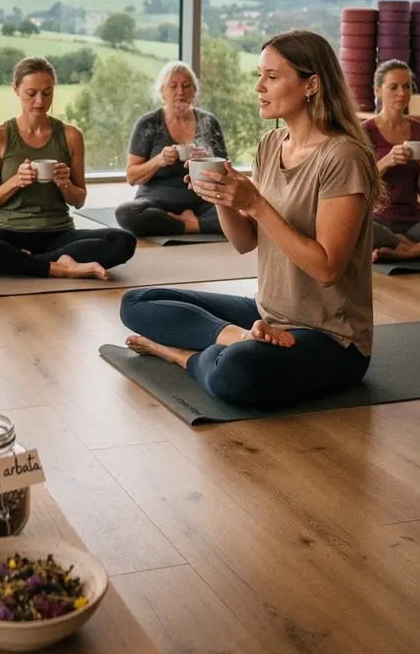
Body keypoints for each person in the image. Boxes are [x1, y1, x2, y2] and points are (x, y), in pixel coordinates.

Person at [120, 31, 379, 407]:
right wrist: (222, 198)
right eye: (259, 75)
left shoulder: (342, 156)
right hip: (268, 313)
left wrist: (255, 203)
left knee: (236, 373)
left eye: (272, 77)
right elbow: (245, 242)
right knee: (137, 302)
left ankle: (179, 354)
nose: (259, 86)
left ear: (312, 84)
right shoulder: (270, 144)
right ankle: (238, 337)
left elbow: (327, 269)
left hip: (331, 337)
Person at [0, 57, 136, 280]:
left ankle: (14, 262)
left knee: (123, 241)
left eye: (47, 93)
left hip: (58, 233)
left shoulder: (70, 135)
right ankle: (60, 266)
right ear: (16, 89)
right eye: (31, 93)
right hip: (8, 233)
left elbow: (79, 200)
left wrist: (65, 184)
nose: (40, 101)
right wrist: (15, 182)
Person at [115, 61, 227, 237]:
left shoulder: (209, 122)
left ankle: (185, 224)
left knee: (241, 212)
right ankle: (195, 225)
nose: (180, 92)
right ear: (162, 92)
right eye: (173, 86)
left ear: (195, 92)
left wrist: (208, 160)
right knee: (126, 213)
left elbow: (226, 172)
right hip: (156, 201)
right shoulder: (148, 123)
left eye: (186, 86)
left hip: (203, 201)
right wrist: (158, 160)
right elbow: (131, 176)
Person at [363, 59, 420, 262]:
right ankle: (408, 245)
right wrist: (386, 161)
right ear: (378, 91)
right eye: (393, 87)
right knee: (349, 223)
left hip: (413, 223)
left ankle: (411, 249)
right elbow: (360, 184)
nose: (402, 93)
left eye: (407, 86)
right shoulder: (365, 131)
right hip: (376, 221)